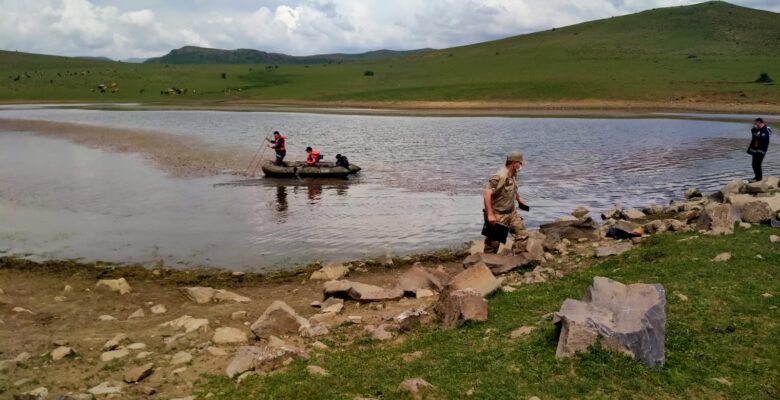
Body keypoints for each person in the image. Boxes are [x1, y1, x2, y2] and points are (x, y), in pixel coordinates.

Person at [483, 151, 530, 254]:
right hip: (498, 215)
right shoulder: (500, 176)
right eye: (520, 163)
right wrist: (490, 214)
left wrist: (518, 198)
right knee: (492, 244)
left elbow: (512, 188)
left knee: (522, 235)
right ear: (514, 164)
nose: (521, 165)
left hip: (511, 212)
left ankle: (517, 259)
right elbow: (486, 194)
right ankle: (485, 266)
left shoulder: (513, 174)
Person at [747, 117, 771, 182]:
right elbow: (755, 137)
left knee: (757, 164)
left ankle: (758, 178)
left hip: (761, 151)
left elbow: (763, 139)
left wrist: (756, 133)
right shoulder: (759, 129)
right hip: (756, 150)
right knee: (754, 164)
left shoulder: (765, 130)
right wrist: (754, 131)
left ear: (759, 122)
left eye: (756, 123)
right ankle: (757, 177)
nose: (755, 124)